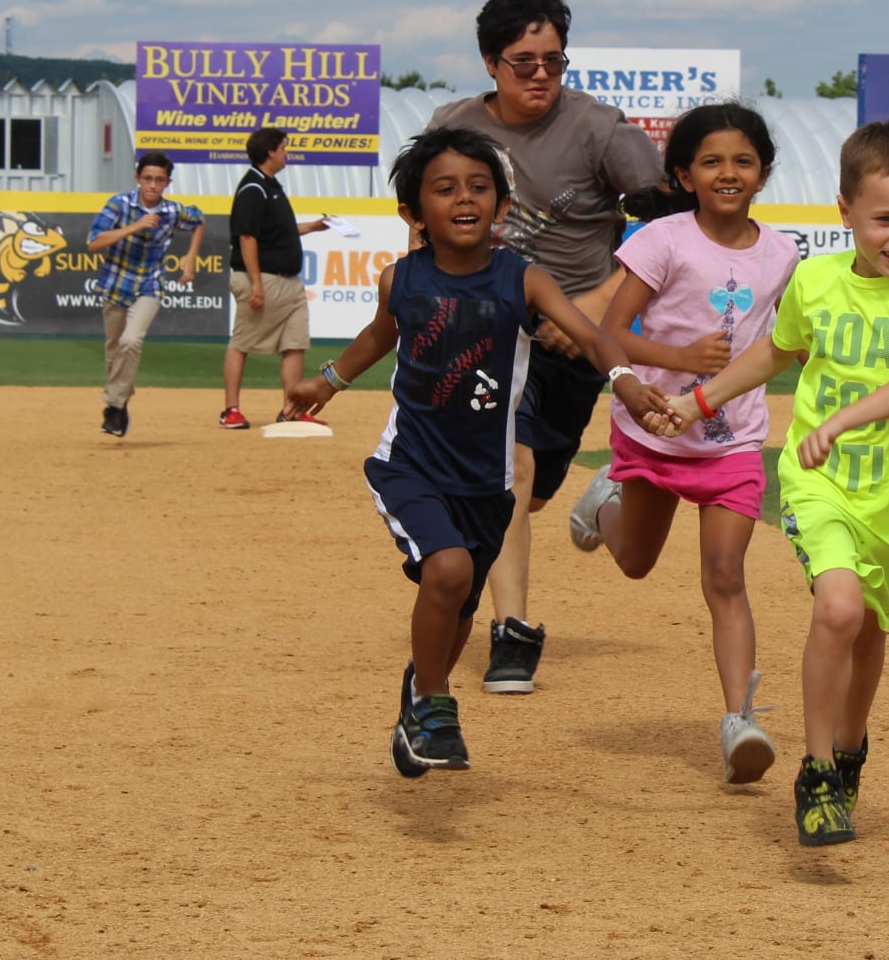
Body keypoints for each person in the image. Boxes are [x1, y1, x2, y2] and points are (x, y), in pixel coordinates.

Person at [285, 126, 672, 777]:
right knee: (449, 571)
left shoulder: (522, 281)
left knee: (459, 607)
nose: (464, 198)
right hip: (409, 466)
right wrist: (328, 381)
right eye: (444, 189)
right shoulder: (400, 280)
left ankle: (417, 700)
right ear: (413, 213)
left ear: (501, 205)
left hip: (487, 484)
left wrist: (625, 383)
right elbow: (378, 337)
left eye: (478, 187)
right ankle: (435, 703)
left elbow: (596, 335)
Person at [659, 120, 889, 847]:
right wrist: (698, 400)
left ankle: (852, 746)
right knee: (837, 608)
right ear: (845, 210)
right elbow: (776, 351)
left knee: (868, 632)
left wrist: (851, 416)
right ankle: (819, 772)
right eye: (884, 218)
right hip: (818, 481)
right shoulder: (819, 279)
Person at [424, 0, 664, 694]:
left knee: (528, 490)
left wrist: (588, 305)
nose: (540, 75)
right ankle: (513, 632)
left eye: (553, 60)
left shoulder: (598, 128)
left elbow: (665, 224)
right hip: (489, 331)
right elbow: (424, 223)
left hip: (573, 341)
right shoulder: (453, 126)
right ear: (491, 62)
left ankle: (586, 502)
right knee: (511, 469)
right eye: (523, 62)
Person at [565, 102, 801, 784]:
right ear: (684, 173)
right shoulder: (661, 241)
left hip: (732, 443)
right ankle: (602, 504)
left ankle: (739, 719)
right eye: (712, 161)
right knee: (635, 561)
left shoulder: (782, 253)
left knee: (726, 577)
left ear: (762, 173)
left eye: (743, 161)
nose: (728, 173)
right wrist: (677, 355)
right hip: (654, 432)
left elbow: (778, 343)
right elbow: (610, 331)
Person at [222, 126, 333, 429]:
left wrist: (312, 226)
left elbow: (276, 232)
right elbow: (247, 238)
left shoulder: (270, 185)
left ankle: (291, 410)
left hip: (289, 282)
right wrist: (256, 284)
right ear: (270, 152)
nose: (287, 152)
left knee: (295, 344)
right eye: (284, 147)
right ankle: (230, 409)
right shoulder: (253, 189)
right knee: (241, 342)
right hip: (263, 279)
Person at [87, 151, 204, 438]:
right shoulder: (119, 204)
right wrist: (135, 226)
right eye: (148, 179)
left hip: (150, 283)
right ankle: (122, 399)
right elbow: (94, 242)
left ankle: (113, 407)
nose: (153, 185)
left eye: (159, 180)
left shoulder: (172, 211)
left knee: (131, 340)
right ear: (137, 179)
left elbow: (198, 219)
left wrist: (190, 256)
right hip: (115, 282)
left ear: (167, 183)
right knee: (114, 350)